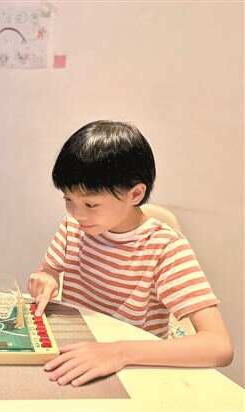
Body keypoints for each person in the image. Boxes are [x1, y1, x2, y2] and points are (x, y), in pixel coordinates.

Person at [27, 120, 233, 386]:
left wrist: (118, 352)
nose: (77, 214)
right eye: (68, 200)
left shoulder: (164, 247)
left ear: (135, 194)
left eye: (91, 204)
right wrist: (46, 278)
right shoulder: (73, 228)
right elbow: (49, 271)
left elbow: (218, 346)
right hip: (78, 359)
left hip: (136, 373)